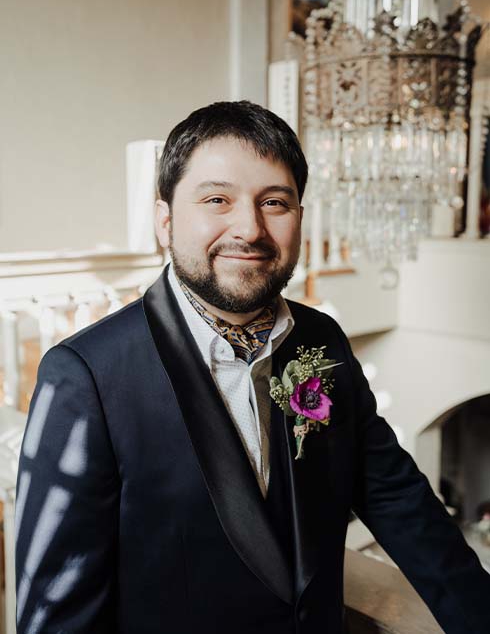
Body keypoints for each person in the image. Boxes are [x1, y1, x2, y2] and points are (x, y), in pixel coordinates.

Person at [15, 101, 490, 634]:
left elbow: (396, 496)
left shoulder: (321, 339)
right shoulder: (86, 376)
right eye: (217, 199)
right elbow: (57, 617)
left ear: (299, 219)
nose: (251, 228)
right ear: (165, 219)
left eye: (275, 202)